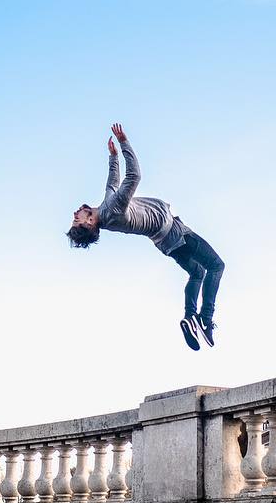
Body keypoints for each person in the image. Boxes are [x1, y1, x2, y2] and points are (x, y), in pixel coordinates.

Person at [67, 124, 225, 353]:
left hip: (165, 243)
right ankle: (205, 320)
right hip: (175, 233)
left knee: (197, 273)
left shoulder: (105, 210)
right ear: (89, 223)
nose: (75, 214)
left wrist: (112, 158)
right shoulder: (112, 209)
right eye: (77, 220)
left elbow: (112, 185)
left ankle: (190, 317)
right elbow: (134, 176)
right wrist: (124, 143)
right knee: (216, 265)